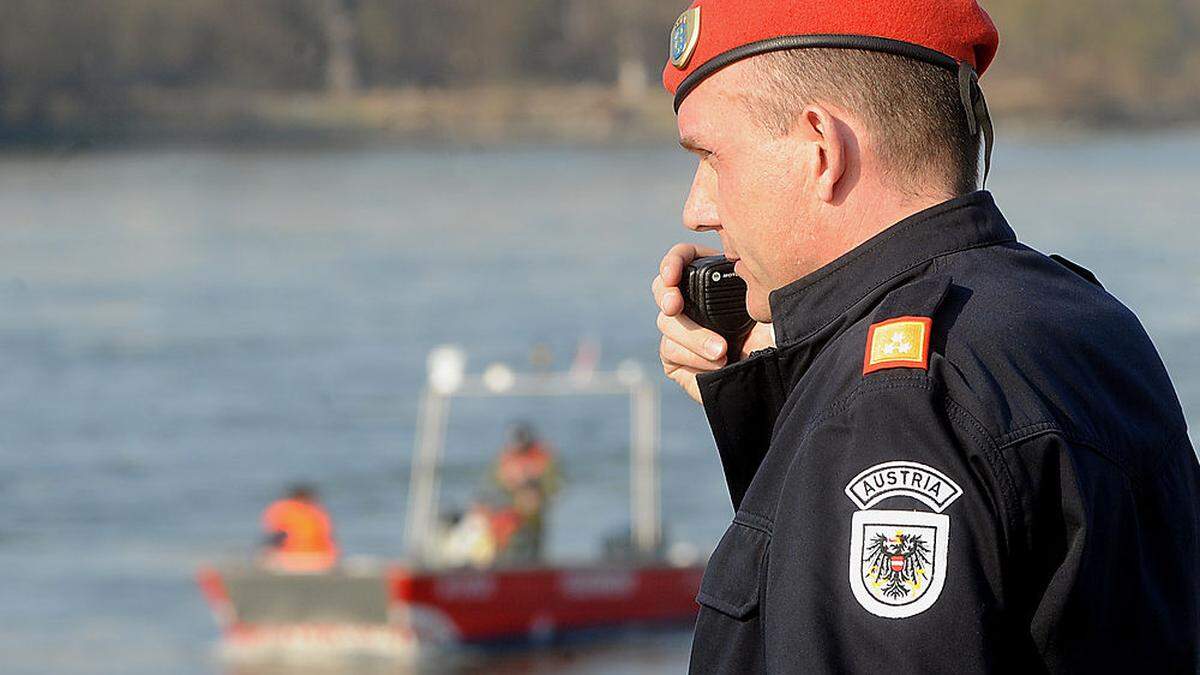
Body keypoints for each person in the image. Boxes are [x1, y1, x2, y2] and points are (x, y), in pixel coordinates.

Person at [650, 1, 1200, 672]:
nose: (696, 208)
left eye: (710, 156)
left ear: (821, 148)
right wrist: (784, 389)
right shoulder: (1079, 316)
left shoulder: (894, 399)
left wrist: (840, 410)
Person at [493, 422, 560, 561]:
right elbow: (497, 482)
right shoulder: (506, 457)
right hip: (512, 509)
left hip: (536, 507)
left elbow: (554, 483)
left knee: (535, 542)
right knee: (508, 541)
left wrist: (540, 496)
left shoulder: (543, 455)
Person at [260, 484, 339, 573]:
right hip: (323, 559)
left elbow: (277, 536)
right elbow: (329, 538)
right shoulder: (318, 512)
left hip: (291, 558)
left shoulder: (283, 509)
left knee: (264, 554)